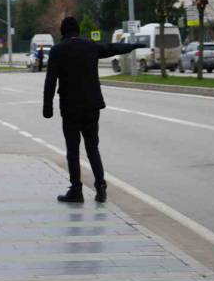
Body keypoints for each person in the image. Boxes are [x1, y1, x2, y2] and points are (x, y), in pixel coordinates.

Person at [43, 17, 145, 203]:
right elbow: (111, 48)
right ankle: (100, 186)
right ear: (78, 30)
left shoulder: (57, 51)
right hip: (92, 106)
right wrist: (132, 46)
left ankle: (76, 190)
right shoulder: (90, 46)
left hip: (70, 108)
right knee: (92, 148)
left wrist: (47, 107)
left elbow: (50, 81)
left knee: (73, 150)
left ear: (62, 32)